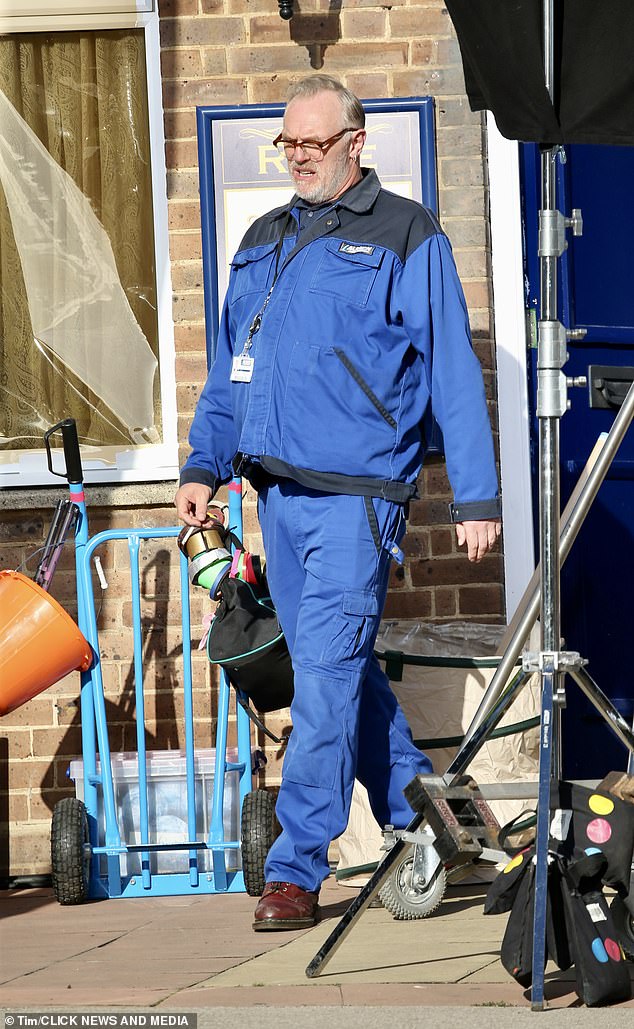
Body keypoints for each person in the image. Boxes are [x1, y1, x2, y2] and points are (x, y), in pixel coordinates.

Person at [175, 74, 501, 931]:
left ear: (359, 143)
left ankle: (295, 868)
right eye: (289, 145)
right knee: (341, 665)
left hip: (357, 499)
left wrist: (477, 494)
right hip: (274, 497)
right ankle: (424, 822)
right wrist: (202, 467)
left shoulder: (404, 232)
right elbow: (229, 372)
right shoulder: (263, 238)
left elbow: (452, 372)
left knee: (319, 677)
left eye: (314, 144)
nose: (300, 159)